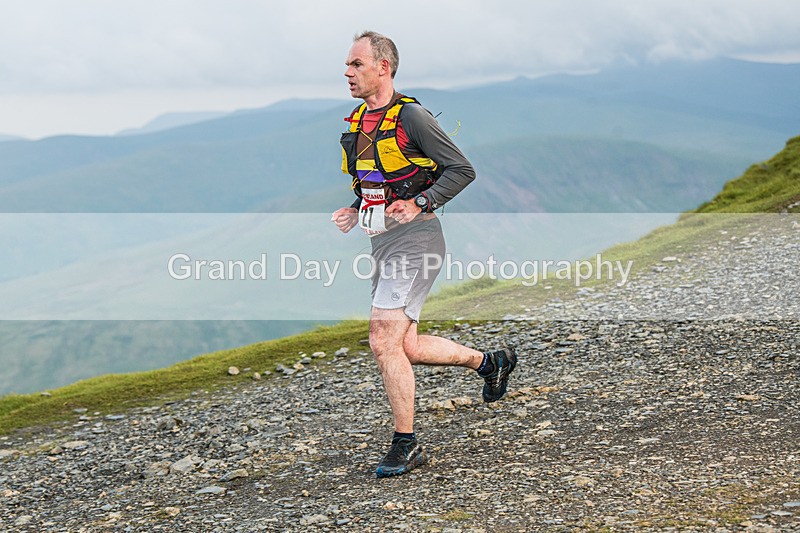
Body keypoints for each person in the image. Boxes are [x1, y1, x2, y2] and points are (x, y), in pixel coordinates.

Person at [331, 30, 517, 478]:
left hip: (418, 239)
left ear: (384, 67)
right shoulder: (358, 122)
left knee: (381, 336)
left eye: (357, 64)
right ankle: (489, 362)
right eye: (347, 65)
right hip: (383, 241)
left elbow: (462, 169)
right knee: (405, 345)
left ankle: (406, 443)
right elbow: (379, 182)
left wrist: (420, 203)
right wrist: (355, 210)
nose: (347, 72)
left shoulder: (411, 116)